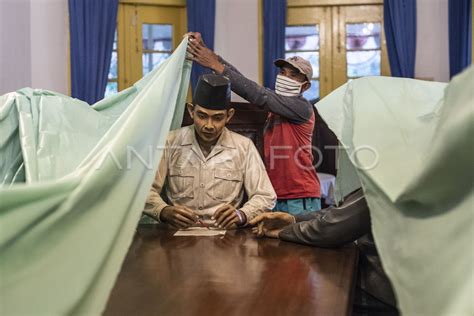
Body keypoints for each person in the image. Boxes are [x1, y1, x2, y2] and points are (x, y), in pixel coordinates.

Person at [187, 32, 321, 216]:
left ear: (305, 86)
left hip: (299, 195)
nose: (285, 77)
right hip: (275, 193)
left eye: (294, 76)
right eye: (283, 72)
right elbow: (246, 83)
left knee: (300, 244)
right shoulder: (277, 105)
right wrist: (212, 57)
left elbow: (259, 95)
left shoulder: (301, 107)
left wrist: (214, 64)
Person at [144, 73, 276, 229]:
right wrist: (163, 211)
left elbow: (266, 196)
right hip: (177, 237)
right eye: (202, 116)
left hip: (226, 238)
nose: (209, 125)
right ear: (191, 111)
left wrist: (242, 214)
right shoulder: (170, 142)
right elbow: (144, 191)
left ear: (229, 116)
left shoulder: (244, 147)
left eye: (218, 118)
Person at [249, 189, 399, 316]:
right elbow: (343, 212)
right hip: (391, 282)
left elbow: (331, 229)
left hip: (385, 291)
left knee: (302, 299)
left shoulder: (393, 176)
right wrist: (294, 219)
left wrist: (284, 231)